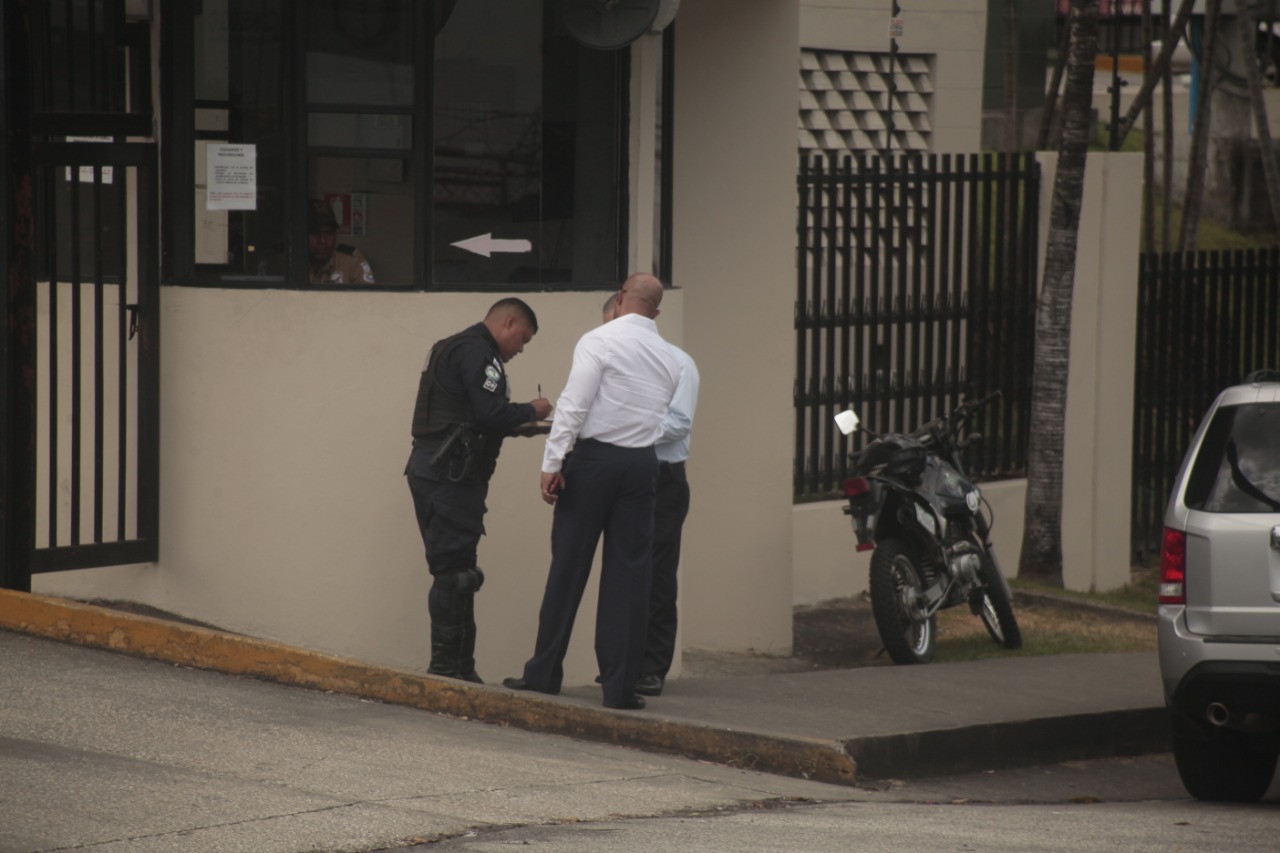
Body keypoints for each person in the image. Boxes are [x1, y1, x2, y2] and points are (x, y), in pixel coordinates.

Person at [503, 273, 680, 710]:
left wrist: (552, 462)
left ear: (620, 298)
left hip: (594, 461)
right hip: (642, 466)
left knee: (569, 565)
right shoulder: (671, 358)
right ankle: (619, 688)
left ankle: (544, 672)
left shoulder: (599, 340)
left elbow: (575, 406)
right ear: (656, 311)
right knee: (630, 576)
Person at [405, 298, 553, 683]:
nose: (520, 349)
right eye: (522, 338)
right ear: (507, 323)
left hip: (439, 471)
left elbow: (472, 416)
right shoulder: (477, 352)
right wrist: (534, 410)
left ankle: (461, 670)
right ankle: (445, 672)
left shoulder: (453, 346)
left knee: (460, 571)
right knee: (453, 572)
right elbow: (490, 414)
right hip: (449, 476)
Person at [599, 296, 700, 698]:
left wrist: (624, 429)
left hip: (661, 474)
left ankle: (651, 666)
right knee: (620, 569)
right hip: (619, 470)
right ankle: (619, 662)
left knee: (657, 572)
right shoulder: (609, 360)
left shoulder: (678, 362)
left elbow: (677, 424)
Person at [308, 198, 375, 285]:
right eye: (315, 233)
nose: (322, 241)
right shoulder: (289, 263)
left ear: (335, 234)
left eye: (329, 233)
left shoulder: (351, 262)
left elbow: (369, 297)